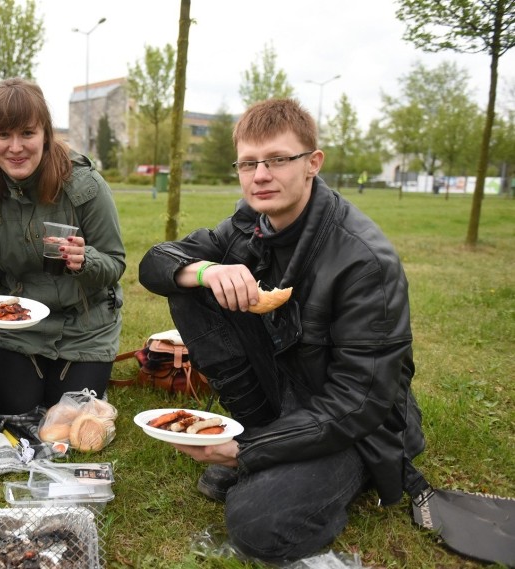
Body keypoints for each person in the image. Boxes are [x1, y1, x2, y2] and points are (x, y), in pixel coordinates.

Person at [139, 98, 425, 562]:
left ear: (313, 163)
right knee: (187, 284)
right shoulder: (247, 226)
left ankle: (350, 472)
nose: (260, 175)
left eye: (277, 159)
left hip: (356, 423)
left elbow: (360, 400)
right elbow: (155, 262)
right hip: (285, 388)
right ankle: (260, 428)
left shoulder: (363, 262)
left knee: (258, 524)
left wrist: (246, 451)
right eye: (248, 163)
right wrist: (209, 270)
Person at [0, 78, 126, 415]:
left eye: (27, 133)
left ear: (45, 133)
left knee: (68, 412)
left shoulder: (85, 186)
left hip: (86, 327)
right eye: (3, 135)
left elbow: (115, 262)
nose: (15, 147)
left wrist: (85, 259)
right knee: (11, 407)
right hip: (19, 325)